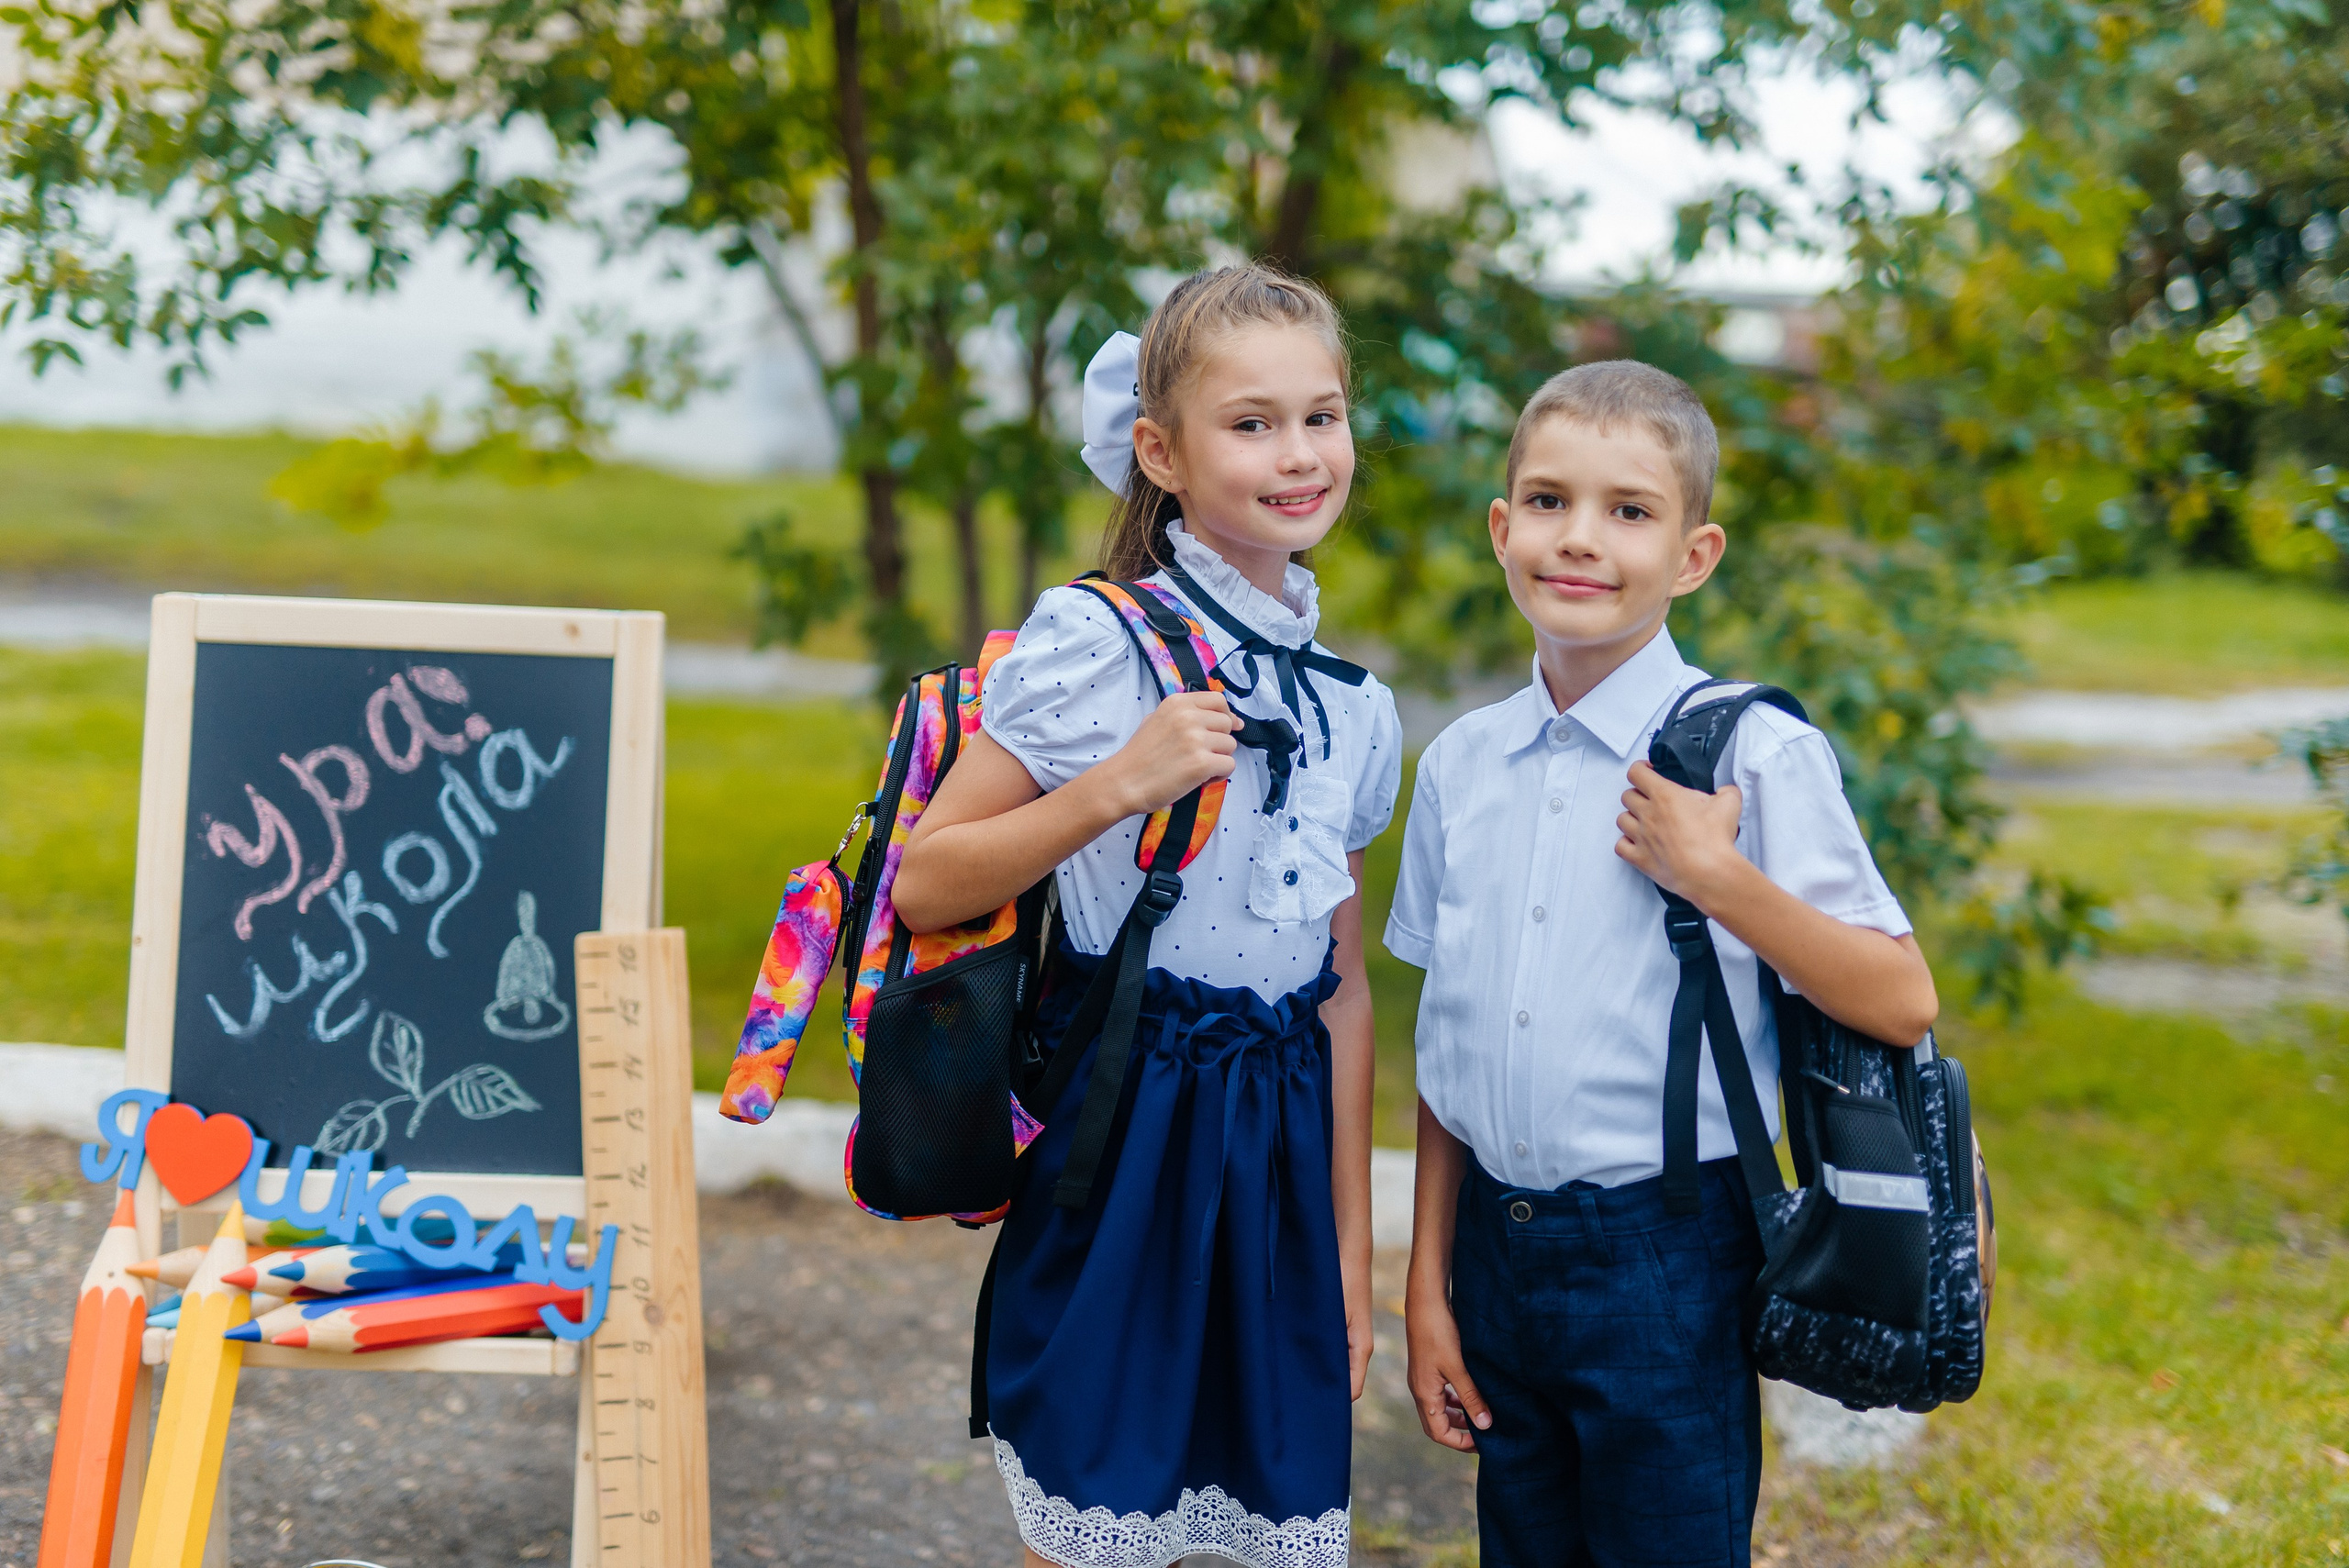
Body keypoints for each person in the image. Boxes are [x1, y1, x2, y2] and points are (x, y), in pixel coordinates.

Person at [1386, 361, 1940, 1567]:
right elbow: (1445, 1040)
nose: (1580, 538)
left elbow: (1901, 997)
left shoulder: (1752, 754)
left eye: (1630, 510)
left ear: (1694, 554)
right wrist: (1429, 1283)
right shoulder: (1463, 766)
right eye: (1548, 501)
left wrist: (1717, 876)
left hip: (1666, 1259)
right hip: (1493, 1246)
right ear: (1502, 526)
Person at [891, 264, 1400, 1568]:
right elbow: (930, 880)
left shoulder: (1356, 707)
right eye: (1252, 423)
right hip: (1128, 1122)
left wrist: (1350, 1248)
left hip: (1279, 1144)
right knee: (1097, 1517)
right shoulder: (1098, 642)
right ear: (1159, 453)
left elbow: (1341, 994)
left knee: (1266, 1518)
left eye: (1321, 416)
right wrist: (1118, 783)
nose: (1298, 454)